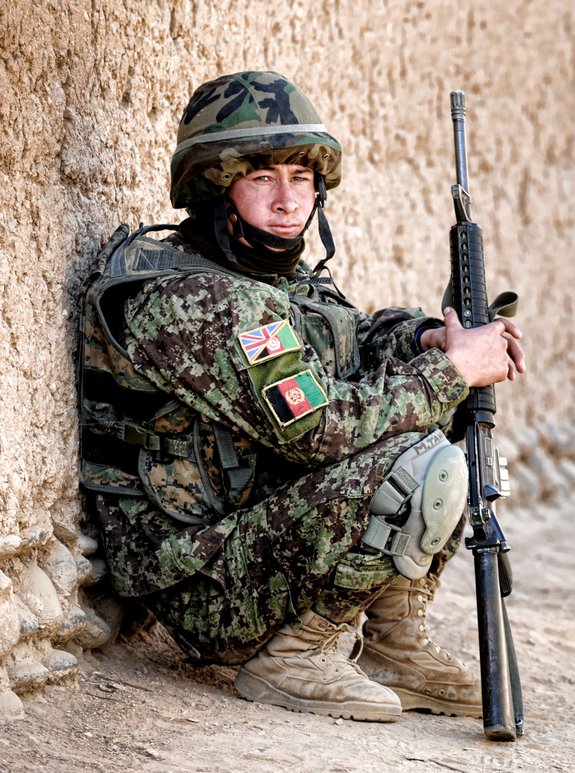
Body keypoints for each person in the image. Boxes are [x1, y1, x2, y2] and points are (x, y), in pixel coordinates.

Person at [77, 71, 525, 723]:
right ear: (214, 185)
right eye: (262, 178)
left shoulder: (275, 281)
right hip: (202, 584)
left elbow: (352, 334)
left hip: (249, 544)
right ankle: (293, 655)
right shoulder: (195, 301)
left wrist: (428, 339)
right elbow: (315, 429)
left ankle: (393, 649)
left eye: (301, 177)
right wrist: (451, 371)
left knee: (433, 420)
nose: (288, 200)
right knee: (415, 458)